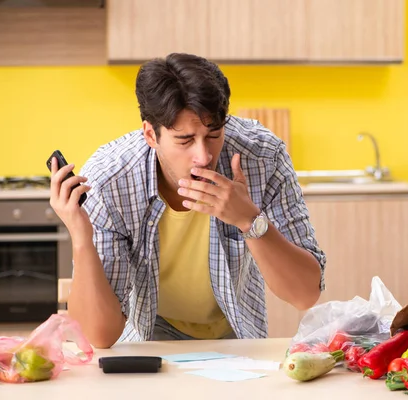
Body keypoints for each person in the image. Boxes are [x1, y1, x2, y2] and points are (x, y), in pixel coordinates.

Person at [49, 53, 326, 348]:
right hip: (148, 340)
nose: (204, 156)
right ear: (150, 135)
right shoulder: (109, 180)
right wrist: (81, 238)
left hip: (240, 335)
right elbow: (97, 336)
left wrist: (250, 221)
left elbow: (305, 295)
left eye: (214, 134)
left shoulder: (263, 156)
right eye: (185, 140)